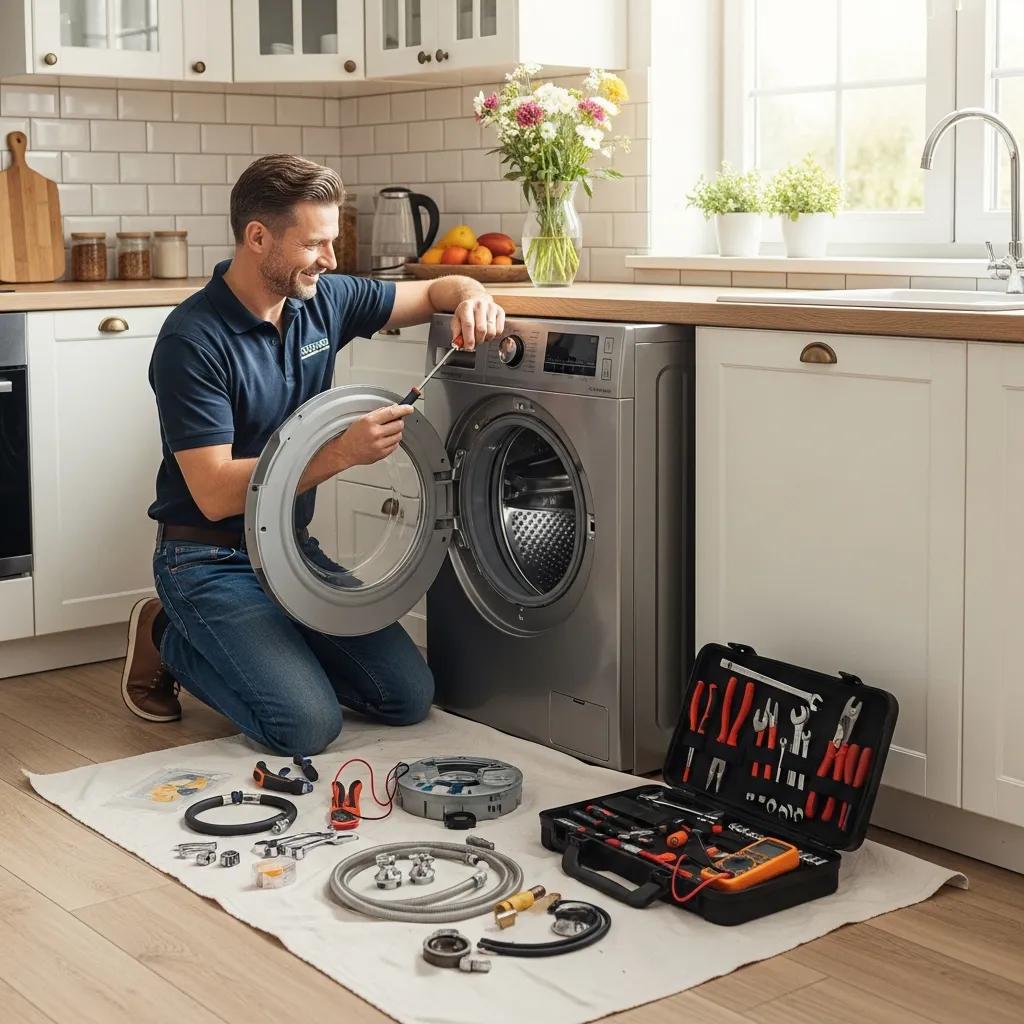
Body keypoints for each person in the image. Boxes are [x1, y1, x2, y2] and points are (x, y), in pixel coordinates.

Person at [119, 154, 505, 755]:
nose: (330, 259)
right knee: (304, 728)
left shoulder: (321, 299)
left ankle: (269, 651)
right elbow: (215, 491)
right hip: (208, 557)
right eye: (315, 244)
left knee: (405, 696)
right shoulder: (192, 341)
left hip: (292, 552)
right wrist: (342, 452)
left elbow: (435, 289)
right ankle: (169, 631)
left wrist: (474, 295)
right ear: (258, 238)